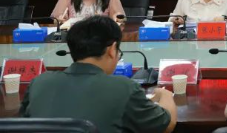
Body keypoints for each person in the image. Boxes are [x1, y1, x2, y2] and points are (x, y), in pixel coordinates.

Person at [20, 15, 176, 133]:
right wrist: (165, 95)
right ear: (112, 49)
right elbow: (166, 125)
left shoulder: (39, 83)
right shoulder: (123, 88)